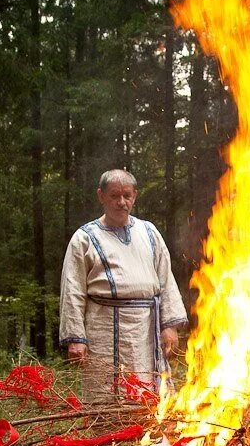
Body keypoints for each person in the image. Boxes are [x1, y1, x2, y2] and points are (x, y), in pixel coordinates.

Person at [59, 169, 188, 401]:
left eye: (127, 195)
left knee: (147, 393)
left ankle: (147, 434)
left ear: (134, 196)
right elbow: (73, 289)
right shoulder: (84, 238)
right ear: (101, 196)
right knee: (105, 394)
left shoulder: (149, 233)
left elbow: (166, 280)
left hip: (146, 331)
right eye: (114, 196)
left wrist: (169, 325)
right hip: (103, 329)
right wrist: (76, 337)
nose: (121, 202)